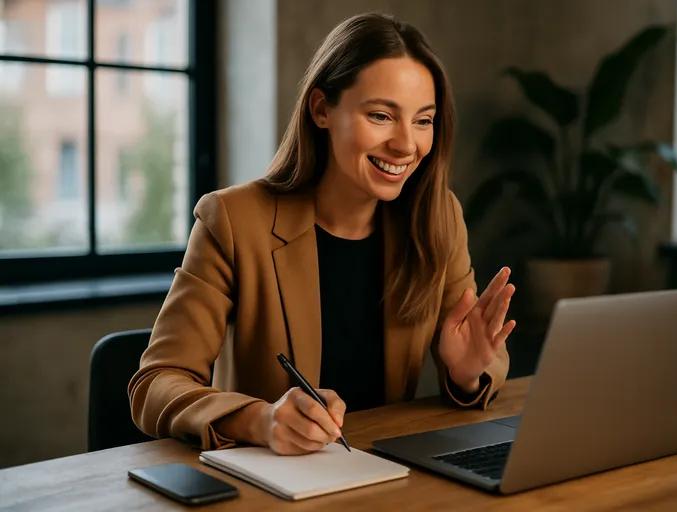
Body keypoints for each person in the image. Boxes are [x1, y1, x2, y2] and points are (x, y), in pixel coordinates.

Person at [128, 12, 515, 456]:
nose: (407, 145)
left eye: (423, 121)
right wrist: (261, 419)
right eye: (382, 115)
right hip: (272, 483)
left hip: (387, 474)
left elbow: (485, 358)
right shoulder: (233, 220)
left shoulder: (437, 216)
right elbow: (155, 384)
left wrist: (466, 373)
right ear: (321, 110)